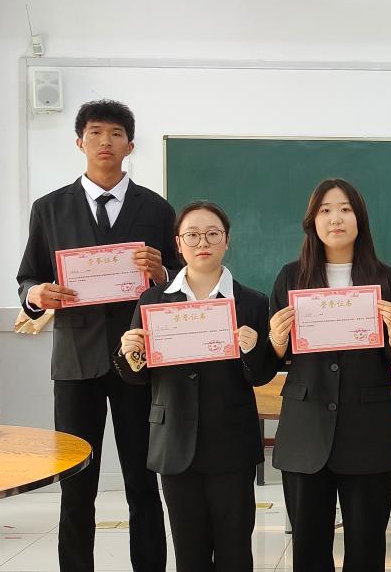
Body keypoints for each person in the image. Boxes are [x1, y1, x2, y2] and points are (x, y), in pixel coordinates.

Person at [16, 99, 175, 572]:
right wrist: (36, 294)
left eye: (116, 134)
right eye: (96, 133)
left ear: (130, 145)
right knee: (75, 484)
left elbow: (180, 281)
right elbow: (28, 278)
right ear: (79, 141)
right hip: (75, 361)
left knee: (143, 481)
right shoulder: (49, 208)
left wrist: (162, 273)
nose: (106, 142)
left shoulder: (157, 209)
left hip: (138, 360)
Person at [116, 201, 277, 572]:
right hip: (174, 442)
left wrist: (253, 350)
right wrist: (130, 354)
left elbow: (259, 375)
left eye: (212, 234)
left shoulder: (252, 302)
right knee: (189, 553)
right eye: (192, 235)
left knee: (235, 551)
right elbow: (136, 377)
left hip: (231, 443)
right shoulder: (153, 300)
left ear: (227, 241)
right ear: (178, 243)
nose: (202, 242)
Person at [266, 179, 391, 572]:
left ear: (359, 218)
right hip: (305, 430)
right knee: (309, 549)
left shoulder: (387, 278)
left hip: (367, 429)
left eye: (345, 209)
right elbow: (272, 360)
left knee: (366, 546)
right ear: (312, 221)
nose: (336, 219)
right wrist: (276, 339)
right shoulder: (290, 277)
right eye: (325, 210)